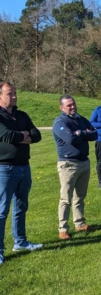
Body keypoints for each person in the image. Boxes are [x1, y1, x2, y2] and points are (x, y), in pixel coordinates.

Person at [0, 82, 43, 264]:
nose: (14, 96)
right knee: (2, 210)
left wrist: (20, 135)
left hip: (24, 167)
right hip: (5, 169)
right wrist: (25, 135)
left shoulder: (22, 115)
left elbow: (37, 135)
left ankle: (20, 242)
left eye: (15, 93)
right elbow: (7, 136)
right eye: (10, 94)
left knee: (21, 206)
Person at [53, 95, 98, 240]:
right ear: (61, 108)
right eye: (69, 105)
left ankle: (80, 223)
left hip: (84, 162)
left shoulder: (81, 119)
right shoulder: (60, 122)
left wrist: (81, 133)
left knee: (80, 196)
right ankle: (63, 229)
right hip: (68, 164)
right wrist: (84, 134)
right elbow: (70, 138)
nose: (73, 107)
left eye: (73, 104)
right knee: (66, 198)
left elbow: (95, 134)